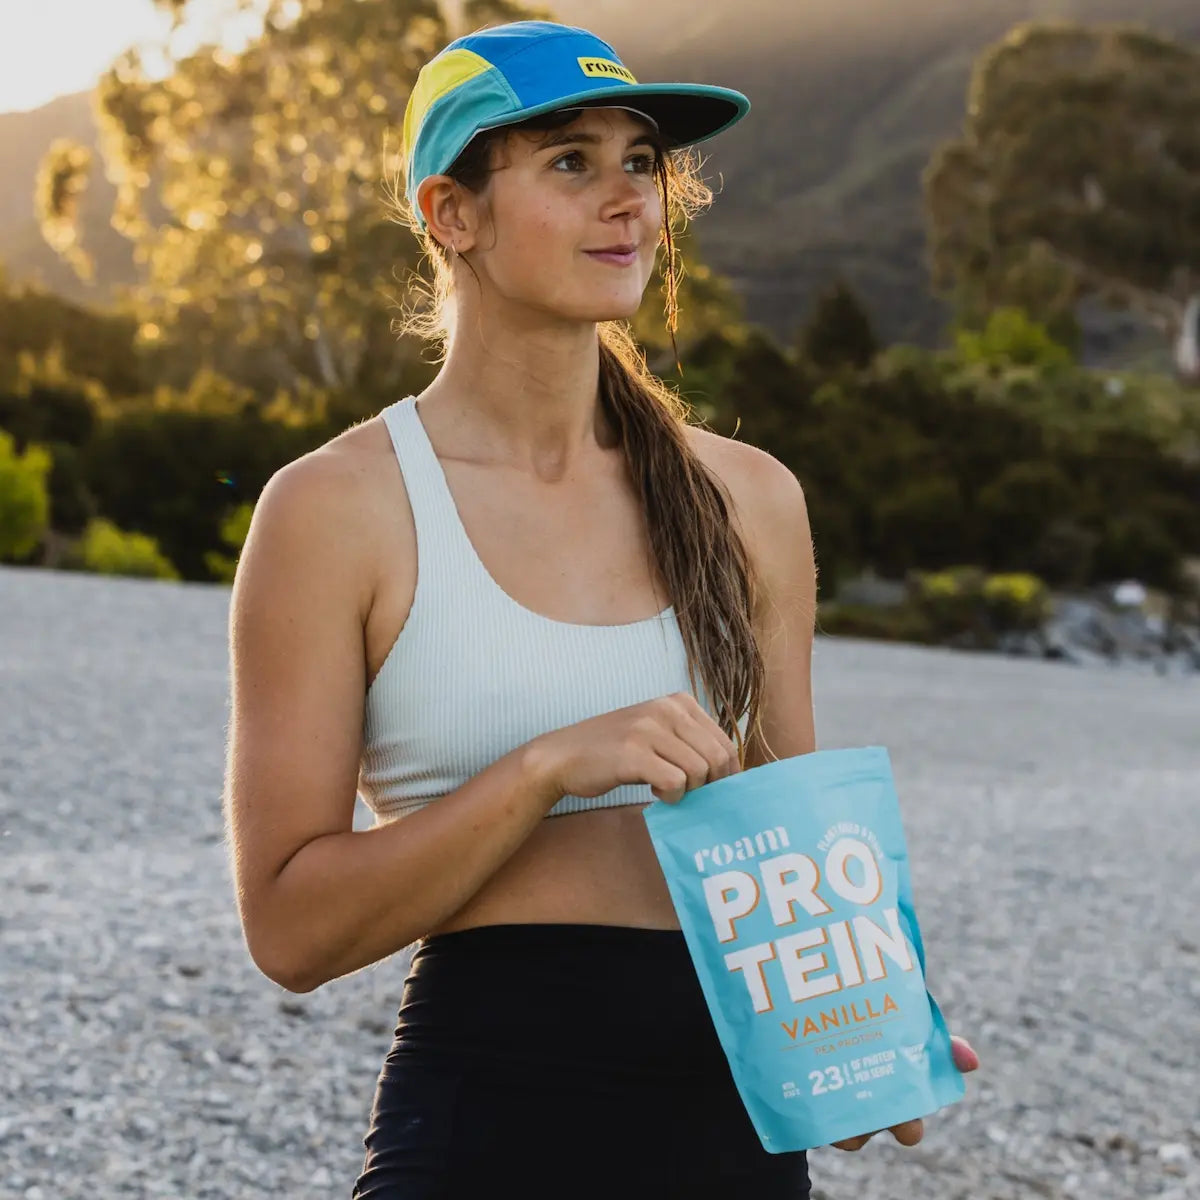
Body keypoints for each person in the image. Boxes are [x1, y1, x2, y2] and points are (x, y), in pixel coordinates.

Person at [223, 18, 978, 1198]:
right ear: (451, 214)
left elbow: (792, 837)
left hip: (735, 1119)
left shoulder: (750, 498)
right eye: (571, 162)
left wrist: (864, 1024)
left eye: (643, 161)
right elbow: (289, 928)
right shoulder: (337, 510)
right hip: (489, 1108)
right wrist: (543, 771)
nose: (627, 198)